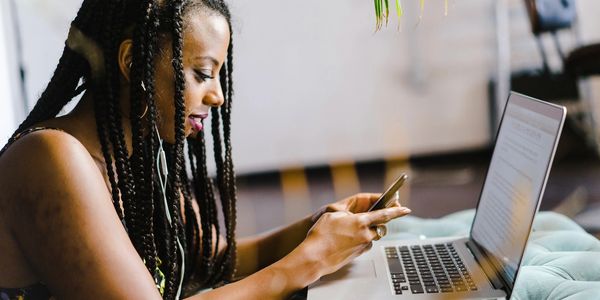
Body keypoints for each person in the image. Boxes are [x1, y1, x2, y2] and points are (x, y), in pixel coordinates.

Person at [0, 0, 412, 299]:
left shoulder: (142, 155)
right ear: (133, 62)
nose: (217, 96)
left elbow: (216, 260)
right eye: (201, 74)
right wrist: (307, 262)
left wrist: (317, 226)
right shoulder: (51, 158)